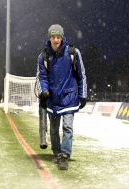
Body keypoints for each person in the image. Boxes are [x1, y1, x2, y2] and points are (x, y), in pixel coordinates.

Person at [36, 24, 87, 170]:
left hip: (69, 97)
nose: (56, 40)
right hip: (53, 99)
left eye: (58, 37)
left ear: (62, 37)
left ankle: (64, 155)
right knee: (53, 129)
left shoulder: (73, 52)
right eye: (53, 37)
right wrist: (44, 92)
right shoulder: (43, 56)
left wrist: (83, 95)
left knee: (67, 127)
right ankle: (57, 153)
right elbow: (42, 77)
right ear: (49, 38)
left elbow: (81, 75)